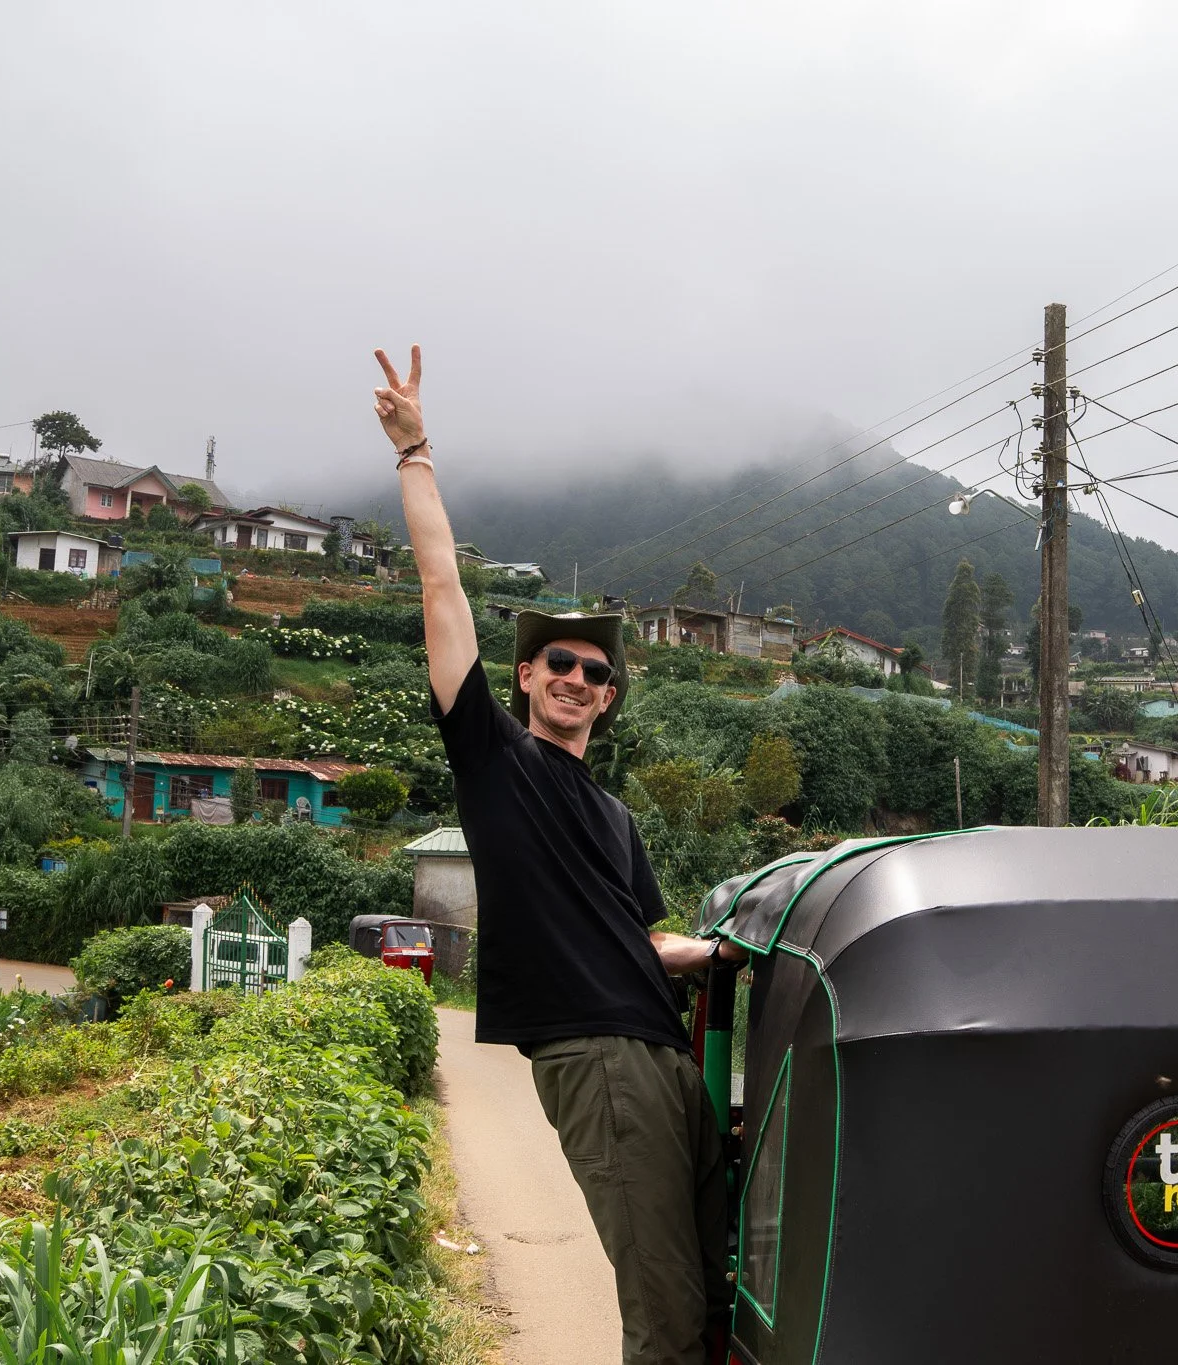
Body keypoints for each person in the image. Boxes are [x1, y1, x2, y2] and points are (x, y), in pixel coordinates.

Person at [374, 345, 741, 1365]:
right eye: (561, 662)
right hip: (597, 1054)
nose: (580, 678)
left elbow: (647, 940)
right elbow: (441, 589)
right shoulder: (497, 763)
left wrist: (716, 953)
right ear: (527, 676)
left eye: (597, 672)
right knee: (665, 1305)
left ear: (610, 698)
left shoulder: (616, 817)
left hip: (666, 1058)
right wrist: (415, 453)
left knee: (716, 1286)